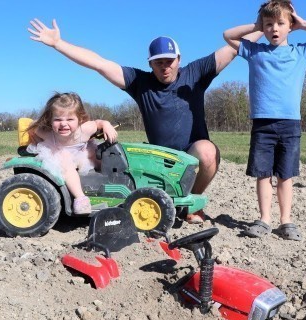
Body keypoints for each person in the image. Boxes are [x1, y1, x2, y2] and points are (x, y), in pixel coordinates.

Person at [27, 18, 260, 224]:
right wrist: (59, 44)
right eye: (158, 62)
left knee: (208, 152)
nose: (165, 66)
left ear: (179, 59)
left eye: (169, 60)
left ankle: (192, 206)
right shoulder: (141, 82)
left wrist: (268, 26)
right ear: (150, 63)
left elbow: (233, 48)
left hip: (191, 150)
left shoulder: (196, 73)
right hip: (159, 156)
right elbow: (99, 63)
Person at [223, 1, 306, 240]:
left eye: (280, 23)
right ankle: (264, 220)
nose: (274, 28)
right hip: (262, 124)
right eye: (268, 24)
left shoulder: (301, 52)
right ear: (263, 27)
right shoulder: (255, 52)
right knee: (263, 174)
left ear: (290, 26)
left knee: (285, 175)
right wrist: (255, 25)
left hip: (290, 124)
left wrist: (303, 24)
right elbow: (228, 35)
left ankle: (286, 221)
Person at [26, 92, 118, 214]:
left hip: (81, 152)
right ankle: (80, 198)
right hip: (59, 153)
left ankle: (112, 186)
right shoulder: (46, 133)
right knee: (67, 166)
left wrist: (106, 125)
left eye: (70, 119)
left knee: (101, 157)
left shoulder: (85, 129)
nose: (63, 123)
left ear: (80, 119)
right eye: (58, 119)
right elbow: (32, 128)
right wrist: (35, 143)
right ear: (50, 120)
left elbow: (98, 123)